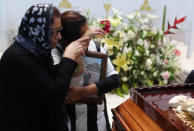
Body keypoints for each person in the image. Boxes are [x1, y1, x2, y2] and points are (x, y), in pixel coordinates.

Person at [0, 4, 90, 131]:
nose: (59, 37)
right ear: (37, 30)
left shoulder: (39, 49)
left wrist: (73, 58)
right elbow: (55, 94)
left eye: (60, 30)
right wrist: (68, 57)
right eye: (54, 32)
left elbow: (47, 78)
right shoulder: (18, 57)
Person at [52, 11, 120, 131]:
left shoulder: (96, 48)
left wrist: (84, 91)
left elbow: (114, 80)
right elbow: (58, 79)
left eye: (89, 33)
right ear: (68, 42)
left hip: (98, 123)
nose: (90, 39)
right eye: (86, 35)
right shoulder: (55, 52)